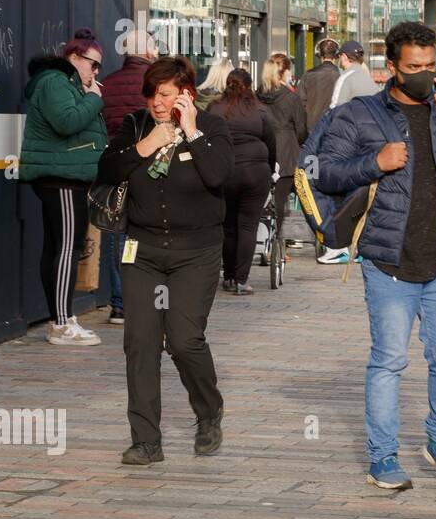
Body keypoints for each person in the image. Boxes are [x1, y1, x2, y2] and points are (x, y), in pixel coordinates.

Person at [314, 21, 436, 490]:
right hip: (387, 262)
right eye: (413, 67)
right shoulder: (360, 114)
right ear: (390, 67)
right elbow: (323, 172)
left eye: (430, 66)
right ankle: (383, 456)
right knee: (389, 360)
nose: (423, 75)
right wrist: (374, 163)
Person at [96, 57, 234, 465]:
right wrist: (146, 145)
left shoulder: (212, 128)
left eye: (166, 94)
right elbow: (106, 169)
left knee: (184, 339)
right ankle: (146, 441)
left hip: (197, 252)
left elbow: (219, 176)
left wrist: (190, 132)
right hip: (143, 251)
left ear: (186, 94)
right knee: (139, 343)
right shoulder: (135, 126)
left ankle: (209, 411)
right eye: (152, 94)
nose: (157, 102)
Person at [20, 29, 109, 346]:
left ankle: (63, 317)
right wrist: (94, 99)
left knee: (58, 248)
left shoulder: (65, 83)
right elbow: (67, 122)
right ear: (73, 58)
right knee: (67, 249)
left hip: (65, 175)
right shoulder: (56, 82)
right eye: (93, 64)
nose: (96, 72)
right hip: (62, 179)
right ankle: (60, 323)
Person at [99, 28, 160, 325]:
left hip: (115, 167)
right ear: (149, 53)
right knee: (151, 230)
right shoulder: (156, 85)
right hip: (151, 167)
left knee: (116, 233)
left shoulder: (107, 84)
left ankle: (119, 303)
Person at [210, 69, 275, 294]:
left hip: (225, 171)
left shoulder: (215, 109)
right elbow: (271, 143)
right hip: (256, 171)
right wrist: (270, 169)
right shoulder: (260, 109)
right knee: (248, 226)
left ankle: (228, 276)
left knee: (228, 226)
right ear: (249, 85)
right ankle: (241, 280)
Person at [259, 53, 308, 239]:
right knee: (280, 201)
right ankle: (276, 242)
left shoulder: (258, 94)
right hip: (287, 154)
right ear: (285, 71)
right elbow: (302, 130)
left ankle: (263, 239)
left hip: (263, 151)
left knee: (262, 200)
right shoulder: (291, 97)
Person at [300, 38, 341, 131]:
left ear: (319, 55)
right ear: (336, 56)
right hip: (334, 125)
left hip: (312, 124)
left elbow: (301, 101)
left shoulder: (308, 74)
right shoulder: (341, 75)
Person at [330, 40, 381, 107]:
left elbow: (335, 110)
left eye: (340, 55)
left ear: (344, 57)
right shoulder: (368, 78)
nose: (340, 59)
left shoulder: (345, 79)